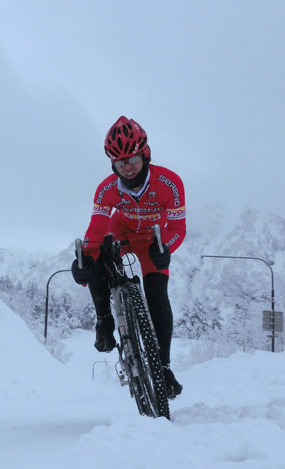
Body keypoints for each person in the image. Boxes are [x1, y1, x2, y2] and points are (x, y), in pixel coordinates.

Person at [71, 116, 186, 398]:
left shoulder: (169, 183)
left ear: (145, 154)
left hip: (153, 238)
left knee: (157, 292)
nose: (128, 168)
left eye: (132, 159)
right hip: (121, 232)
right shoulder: (107, 189)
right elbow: (97, 228)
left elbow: (178, 227)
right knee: (99, 256)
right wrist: (83, 260)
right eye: (120, 163)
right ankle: (104, 321)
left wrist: (165, 248)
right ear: (113, 164)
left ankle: (164, 366)